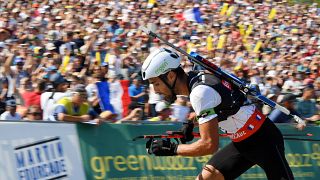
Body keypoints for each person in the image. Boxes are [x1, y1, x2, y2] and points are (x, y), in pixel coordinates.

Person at [141, 47, 297, 180]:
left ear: (170, 76)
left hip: (264, 140)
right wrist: (191, 123)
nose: (155, 90)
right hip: (242, 143)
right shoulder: (198, 78)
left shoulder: (199, 93)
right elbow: (221, 104)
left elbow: (209, 145)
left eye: (156, 83)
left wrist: (172, 149)